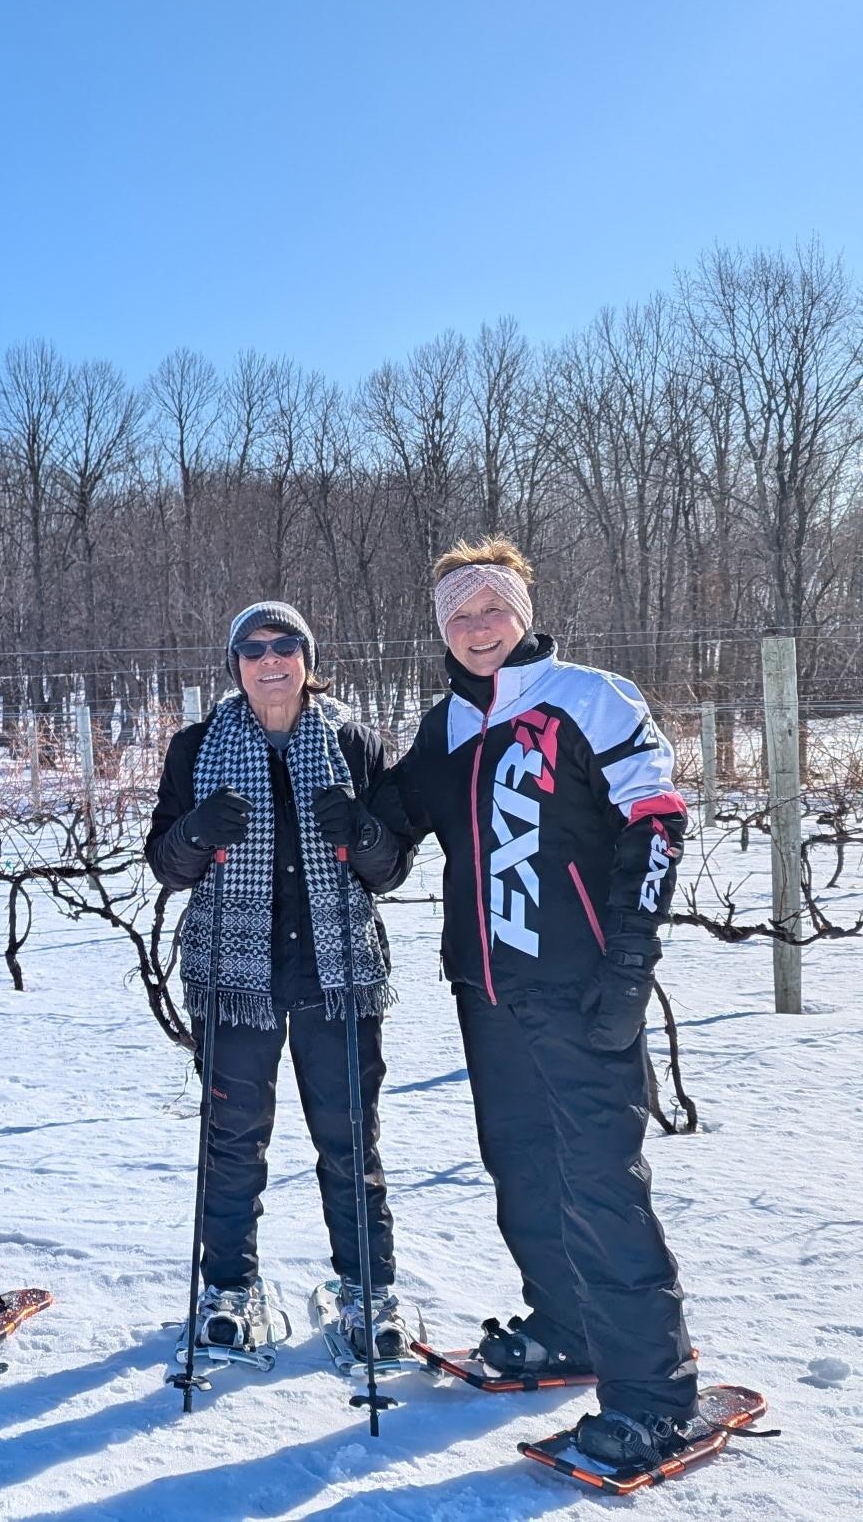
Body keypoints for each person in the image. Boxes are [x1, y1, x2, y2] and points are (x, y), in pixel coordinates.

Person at [370, 535, 696, 1465]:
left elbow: (658, 819)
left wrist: (631, 961)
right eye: (459, 615)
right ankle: (568, 1327)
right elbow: (392, 824)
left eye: (492, 608)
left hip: (585, 986)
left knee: (599, 1183)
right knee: (523, 1171)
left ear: (523, 611)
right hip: (489, 992)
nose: (477, 628)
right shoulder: (445, 728)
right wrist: (338, 812)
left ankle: (655, 1394)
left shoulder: (589, 698)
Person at [145, 602, 413, 1367]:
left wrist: (359, 831)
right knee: (233, 1142)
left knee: (349, 1137)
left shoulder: (357, 743)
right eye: (254, 649)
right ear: (234, 664)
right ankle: (228, 1290)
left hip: (338, 976)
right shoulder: (197, 747)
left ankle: (370, 1293)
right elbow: (166, 864)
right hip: (238, 977)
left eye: (285, 646)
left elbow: (390, 870)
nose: (271, 661)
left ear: (307, 656)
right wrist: (196, 833)